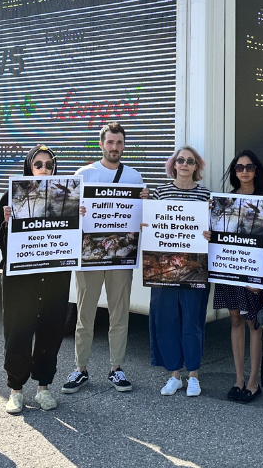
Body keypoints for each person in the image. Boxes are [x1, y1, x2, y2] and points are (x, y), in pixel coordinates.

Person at [63, 122, 146, 396]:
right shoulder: (84, 173)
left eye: (119, 143)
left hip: (121, 257)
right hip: (89, 255)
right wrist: (78, 209)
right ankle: (80, 368)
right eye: (110, 142)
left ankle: (116, 367)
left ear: (124, 145)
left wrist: (145, 201)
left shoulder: (134, 177)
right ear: (101, 144)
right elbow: (67, 211)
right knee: (85, 313)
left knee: (119, 312)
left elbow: (142, 215)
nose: (115, 148)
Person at [0, 144, 71, 414]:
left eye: (49, 165)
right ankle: (16, 390)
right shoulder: (13, 195)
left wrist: (78, 218)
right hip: (21, 280)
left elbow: (75, 240)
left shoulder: (68, 197)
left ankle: (44, 388)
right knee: (17, 333)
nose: (44, 169)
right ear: (29, 166)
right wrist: (7, 223)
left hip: (55, 278)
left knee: (51, 332)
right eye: (38, 164)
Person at [210, 150, 263, 403]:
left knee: (254, 324)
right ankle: (238, 379)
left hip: (254, 275)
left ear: (256, 171)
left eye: (249, 167)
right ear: (234, 172)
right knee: (236, 320)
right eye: (239, 168)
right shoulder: (223, 201)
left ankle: (253, 381)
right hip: (229, 269)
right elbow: (218, 236)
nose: (245, 171)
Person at [148, 145, 211, 396]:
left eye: (190, 161)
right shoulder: (158, 193)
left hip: (194, 268)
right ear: (173, 164)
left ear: (197, 166)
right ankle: (174, 375)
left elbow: (212, 227)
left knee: (192, 321)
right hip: (163, 267)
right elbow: (149, 223)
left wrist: (209, 233)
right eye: (180, 160)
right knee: (167, 320)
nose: (184, 164)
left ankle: (194, 375)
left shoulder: (206, 195)